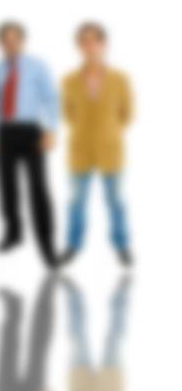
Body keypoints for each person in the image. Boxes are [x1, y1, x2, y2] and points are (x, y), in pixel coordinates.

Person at [0, 21, 59, 268]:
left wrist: (51, 129)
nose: (11, 43)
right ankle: (13, 233)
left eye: (16, 38)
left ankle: (47, 245)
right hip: (5, 131)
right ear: (0, 44)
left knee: (38, 187)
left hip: (31, 131)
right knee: (7, 187)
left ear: (23, 40)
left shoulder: (38, 67)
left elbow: (51, 99)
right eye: (6, 39)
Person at [59, 22, 134, 268]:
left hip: (111, 149)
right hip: (80, 148)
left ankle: (122, 245)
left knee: (116, 200)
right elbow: (67, 114)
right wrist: (85, 131)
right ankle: (73, 245)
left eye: (94, 40)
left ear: (103, 44)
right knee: (76, 201)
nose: (90, 45)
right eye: (84, 41)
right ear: (79, 46)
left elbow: (128, 114)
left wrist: (108, 133)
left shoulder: (120, 78)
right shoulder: (69, 79)